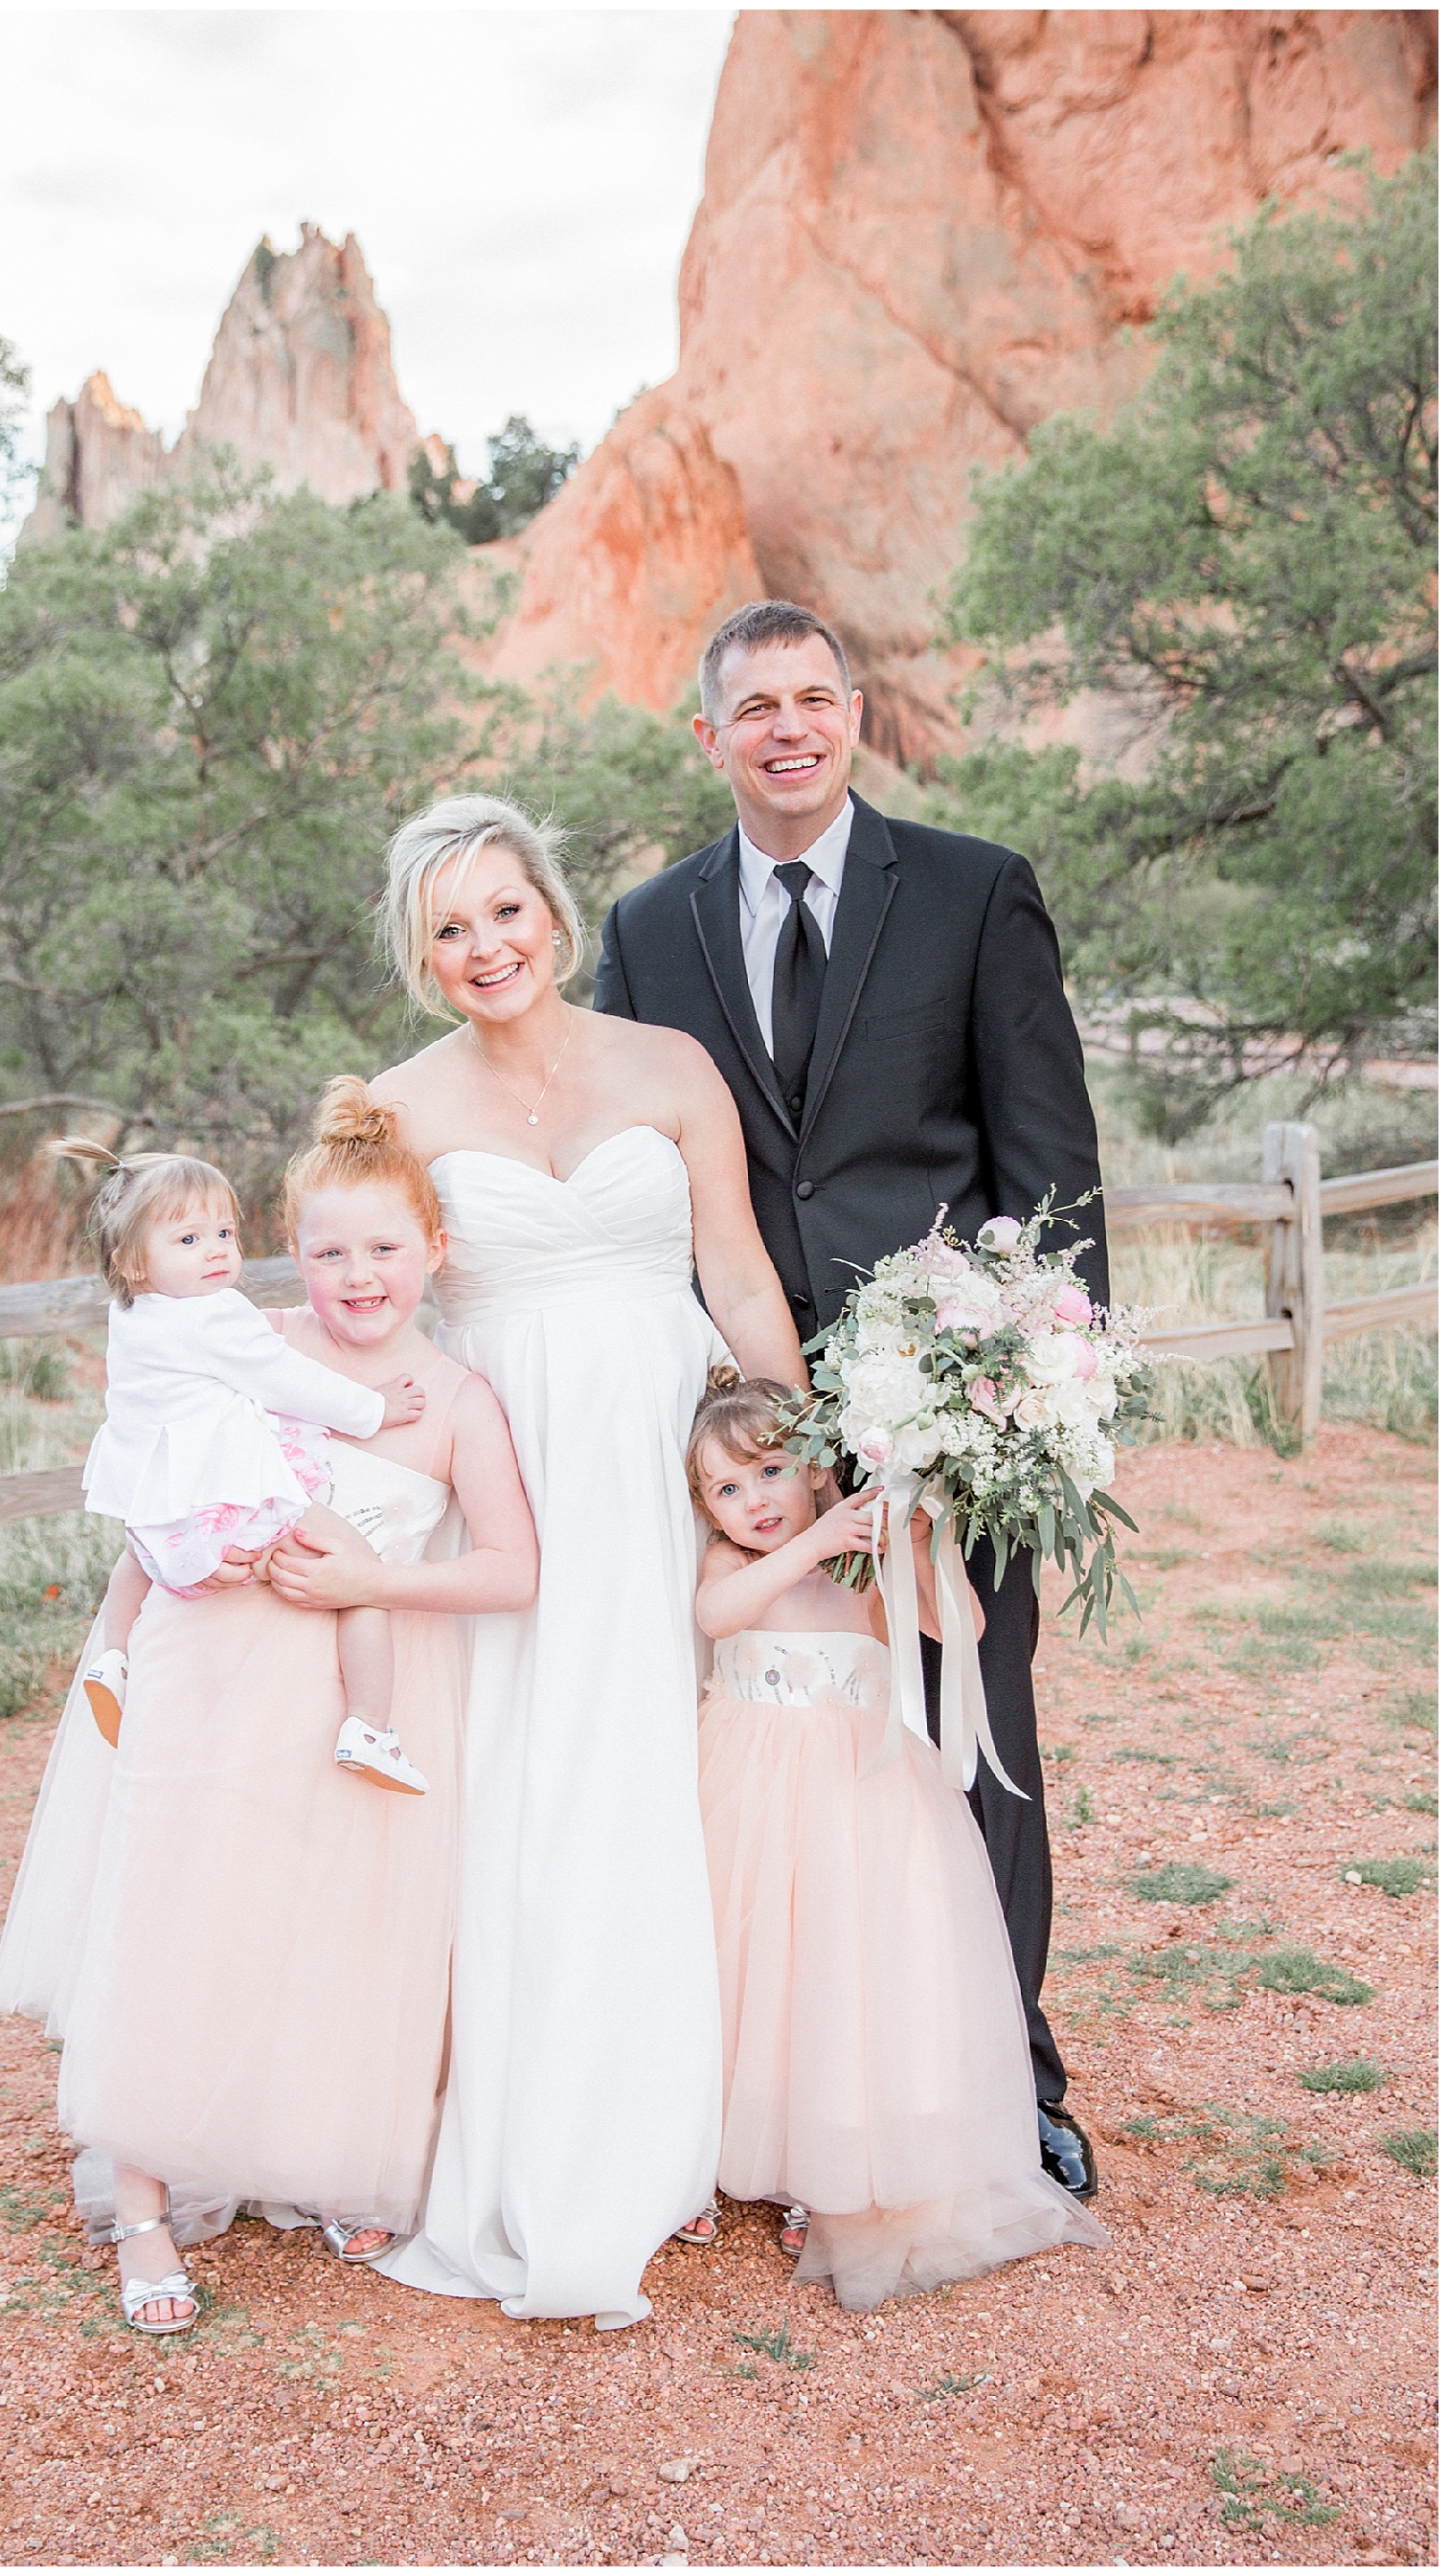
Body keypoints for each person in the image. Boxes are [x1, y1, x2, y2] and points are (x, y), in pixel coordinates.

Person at [596, 598, 1107, 2201]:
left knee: (969, 1732)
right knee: (774, 1760)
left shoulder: (970, 892)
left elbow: (1050, 1167)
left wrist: (1026, 1398)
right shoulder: (647, 928)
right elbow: (637, 1183)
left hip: (945, 1408)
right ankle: (784, 2083)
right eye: (757, 707)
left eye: (816, 698)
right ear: (711, 737)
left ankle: (1009, 2076)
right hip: (742, 1427)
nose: (791, 728)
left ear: (856, 714)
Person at [286, 791, 804, 2331]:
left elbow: (737, 1268)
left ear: (555, 915)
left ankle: (695, 2115)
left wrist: (801, 1445)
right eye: (449, 928)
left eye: (503, 910)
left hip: (667, 1449)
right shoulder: (396, 1107)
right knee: (530, 1777)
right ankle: (531, 2120)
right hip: (511, 1470)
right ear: (420, 956)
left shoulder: (671, 1066)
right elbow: (354, 1287)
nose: (484, 945)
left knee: (669, 1755)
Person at [0, 1084, 537, 2331]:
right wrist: (188, 1546)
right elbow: (146, 1459)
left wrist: (372, 1578)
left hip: (362, 1687)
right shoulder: (237, 1336)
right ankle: (141, 2206)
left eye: (385, 1248)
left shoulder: (456, 1398)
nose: (356, 1276)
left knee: (335, 1924)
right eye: (330, 1249)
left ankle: (322, 2151)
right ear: (293, 1250)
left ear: (434, 1253)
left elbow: (512, 1568)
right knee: (173, 1910)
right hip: (210, 1658)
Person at [688, 1371, 1106, 2306]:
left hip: (853, 1790)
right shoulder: (729, 1565)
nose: (753, 1499)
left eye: (771, 1470)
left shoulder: (855, 1562)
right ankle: (736, 2138)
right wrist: (815, 1540)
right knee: (754, 1964)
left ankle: (821, 2166)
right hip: (748, 1787)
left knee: (839, 1968)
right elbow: (717, 1616)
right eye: (726, 1487)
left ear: (818, 1473)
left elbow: (954, 1624)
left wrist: (921, 1545)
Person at [51, 1136, 430, 1795]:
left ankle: (113, 1656)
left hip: (163, 1509)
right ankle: (370, 1726)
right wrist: (372, 1408)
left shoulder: (132, 1314)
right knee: (360, 1568)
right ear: (134, 1263)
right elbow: (287, 1380)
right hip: (232, 1499)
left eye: (224, 1231)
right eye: (189, 1239)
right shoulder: (214, 1317)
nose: (219, 1249)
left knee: (134, 1555)